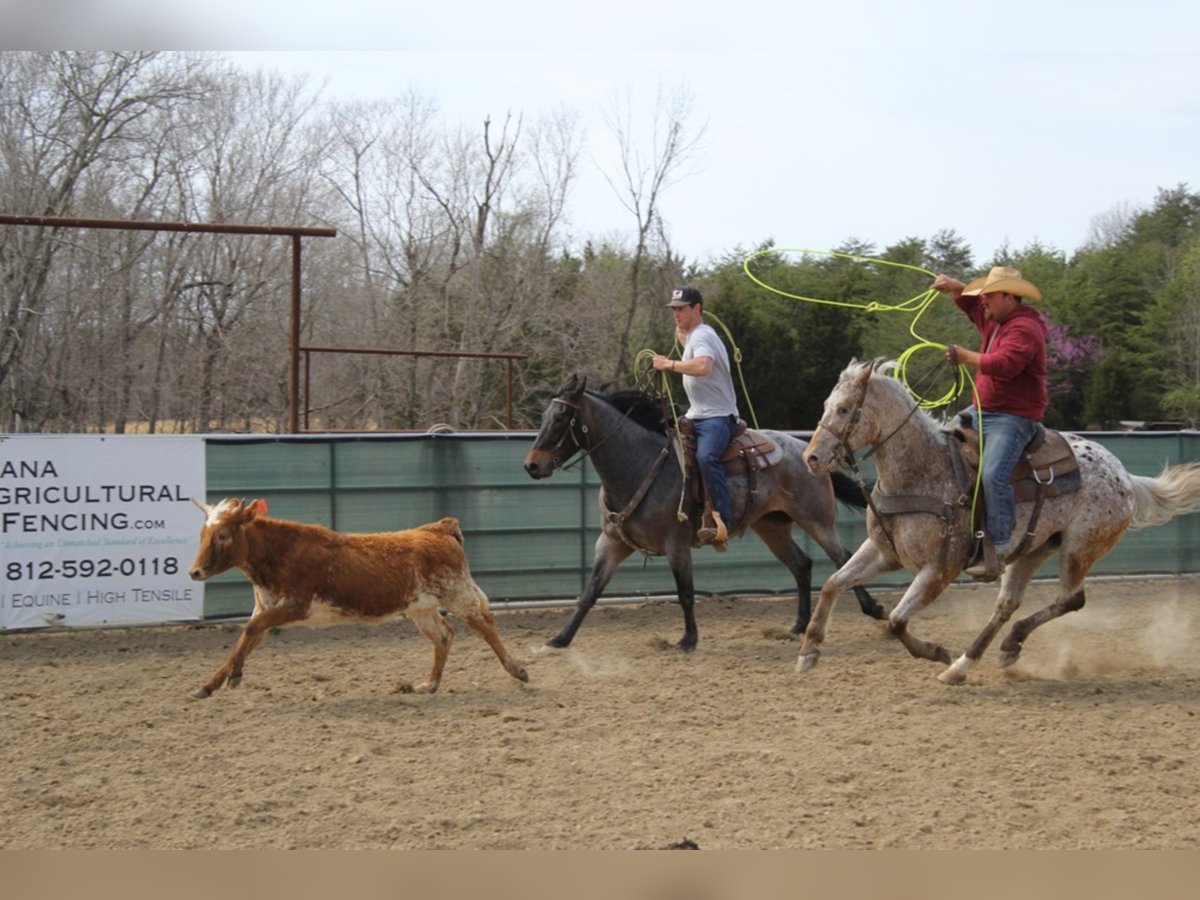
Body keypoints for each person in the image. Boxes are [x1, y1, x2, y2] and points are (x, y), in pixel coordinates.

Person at [932, 266, 1048, 577]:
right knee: (935, 447)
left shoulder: (1024, 328)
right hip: (981, 411)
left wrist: (964, 355)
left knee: (993, 473)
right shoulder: (996, 317)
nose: (983, 300)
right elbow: (971, 305)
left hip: (1014, 417)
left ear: (1009, 297)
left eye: (989, 295)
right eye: (983, 294)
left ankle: (999, 545)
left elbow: (1006, 365)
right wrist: (957, 288)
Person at [651, 286, 739, 547]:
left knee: (706, 457)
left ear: (697, 308)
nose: (676, 313)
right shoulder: (695, 336)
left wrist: (669, 365)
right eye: (674, 309)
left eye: (681, 308)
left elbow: (703, 366)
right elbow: (685, 339)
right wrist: (682, 332)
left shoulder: (701, 337)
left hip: (717, 417)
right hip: (696, 415)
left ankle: (722, 520)